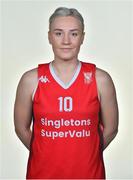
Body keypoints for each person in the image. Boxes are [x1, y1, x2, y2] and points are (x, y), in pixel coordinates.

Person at [14, 7, 119, 179]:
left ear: (82, 38)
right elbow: (21, 128)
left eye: (74, 34)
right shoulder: (31, 80)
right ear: (49, 37)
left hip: (88, 175)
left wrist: (86, 153)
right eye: (58, 33)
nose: (66, 41)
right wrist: (47, 154)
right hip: (42, 174)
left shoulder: (100, 79)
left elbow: (111, 129)